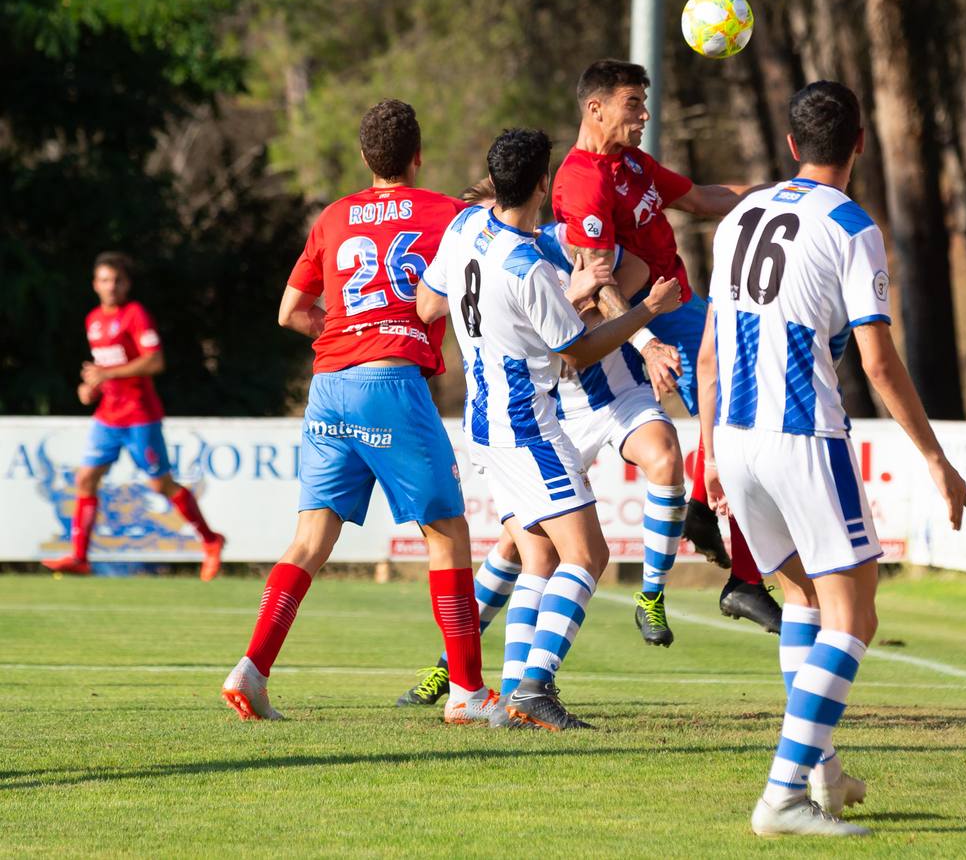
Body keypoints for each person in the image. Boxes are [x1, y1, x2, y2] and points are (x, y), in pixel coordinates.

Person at [698, 81, 966, 836]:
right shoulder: (852, 226)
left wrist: (708, 451)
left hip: (736, 437)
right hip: (801, 434)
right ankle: (781, 798)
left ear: (791, 145)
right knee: (854, 616)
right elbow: (880, 364)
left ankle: (820, 776)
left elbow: (713, 349)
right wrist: (935, 457)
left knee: (803, 603)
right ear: (859, 144)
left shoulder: (741, 214)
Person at [221, 99, 496, 726]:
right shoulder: (446, 215)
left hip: (330, 387)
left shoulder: (335, 217)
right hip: (391, 385)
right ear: (418, 154)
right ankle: (468, 693)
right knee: (448, 535)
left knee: (310, 540)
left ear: (365, 157)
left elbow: (290, 310)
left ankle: (252, 670)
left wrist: (348, 329)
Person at [418, 127, 681, 730]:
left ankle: (512, 694)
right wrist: (646, 313)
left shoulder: (462, 229)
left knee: (536, 552)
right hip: (526, 429)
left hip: (480, 423)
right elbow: (580, 354)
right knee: (588, 556)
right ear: (542, 184)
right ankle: (536, 688)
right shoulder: (531, 266)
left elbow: (428, 307)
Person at [553, 58, 782, 633]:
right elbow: (599, 282)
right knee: (525, 542)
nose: (644, 114)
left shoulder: (632, 163)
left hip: (676, 311)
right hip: (633, 330)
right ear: (595, 107)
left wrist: (785, 195)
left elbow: (704, 199)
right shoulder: (583, 180)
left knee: (737, 418)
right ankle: (456, 669)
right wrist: (648, 337)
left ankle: (731, 561)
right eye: (634, 103)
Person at [44, 252, 226, 579]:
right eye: (104, 280)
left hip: (140, 415)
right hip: (108, 417)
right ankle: (80, 557)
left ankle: (211, 541)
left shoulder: (135, 314)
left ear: (126, 284)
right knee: (86, 479)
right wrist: (91, 388)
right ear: (95, 285)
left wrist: (106, 375)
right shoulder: (93, 320)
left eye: (116, 280)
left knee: (161, 485)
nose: (110, 286)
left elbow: (154, 362)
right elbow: (103, 369)